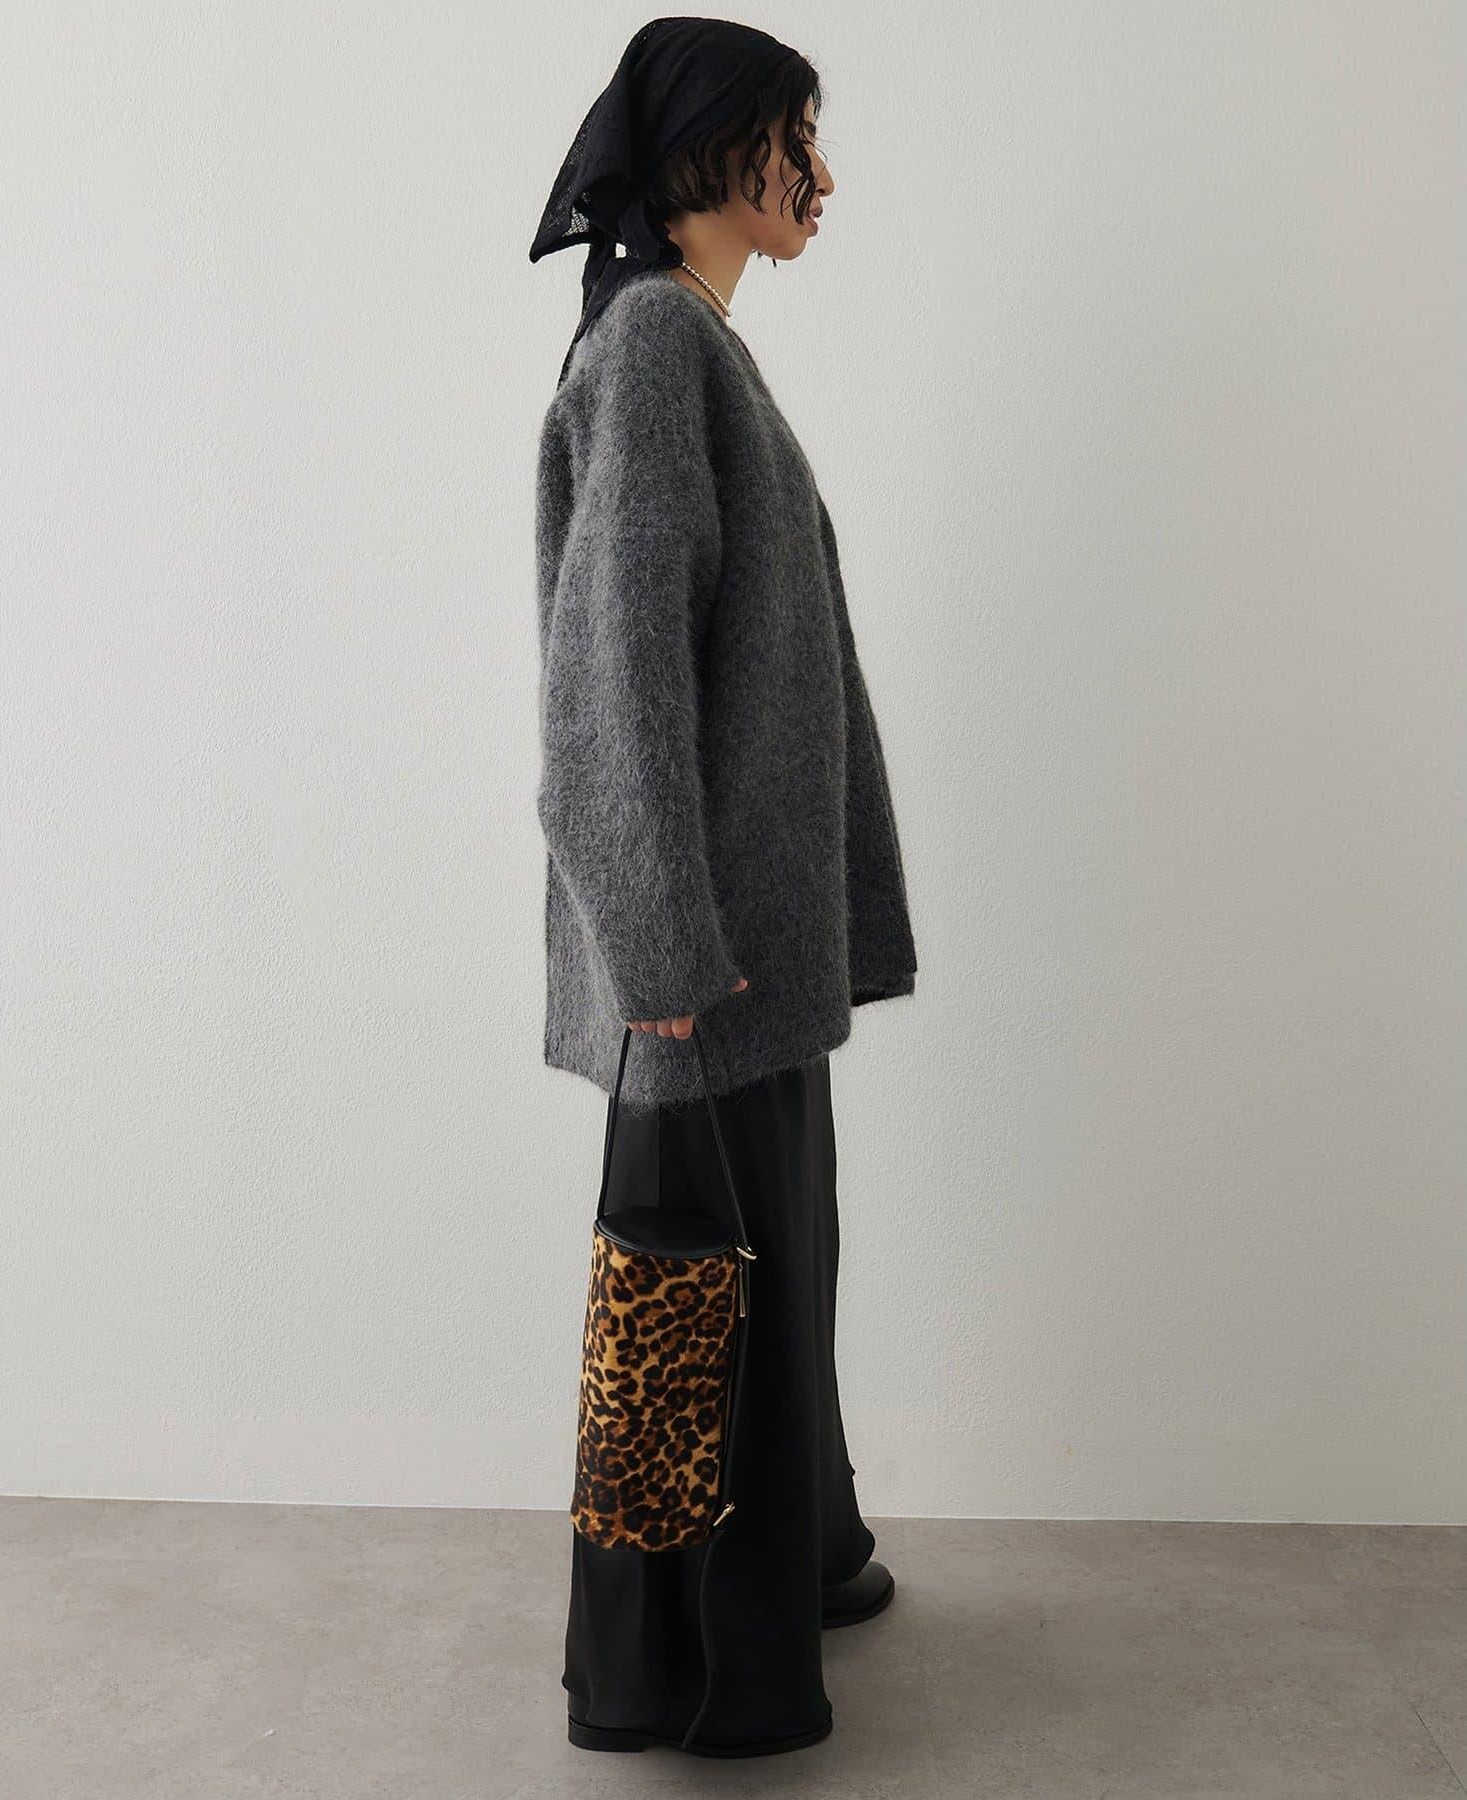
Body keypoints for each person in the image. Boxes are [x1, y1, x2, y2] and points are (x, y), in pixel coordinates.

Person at [529, 18, 918, 1759]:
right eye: (794, 140)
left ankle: (803, 1571)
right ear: (709, 152)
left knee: (770, 1279)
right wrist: (663, 950)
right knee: (689, 1306)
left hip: (752, 958)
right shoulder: (652, 352)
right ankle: (686, 1673)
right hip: (698, 975)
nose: (821, 177)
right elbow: (608, 685)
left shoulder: (692, 341)